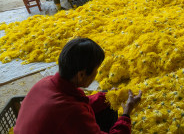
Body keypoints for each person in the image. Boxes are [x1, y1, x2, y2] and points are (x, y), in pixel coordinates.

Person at [14, 38, 142, 134]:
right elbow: (74, 110)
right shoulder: (73, 112)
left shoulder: (46, 82)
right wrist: (126, 113)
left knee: (108, 102)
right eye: (96, 69)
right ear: (81, 75)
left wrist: (106, 96)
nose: (96, 74)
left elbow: (79, 102)